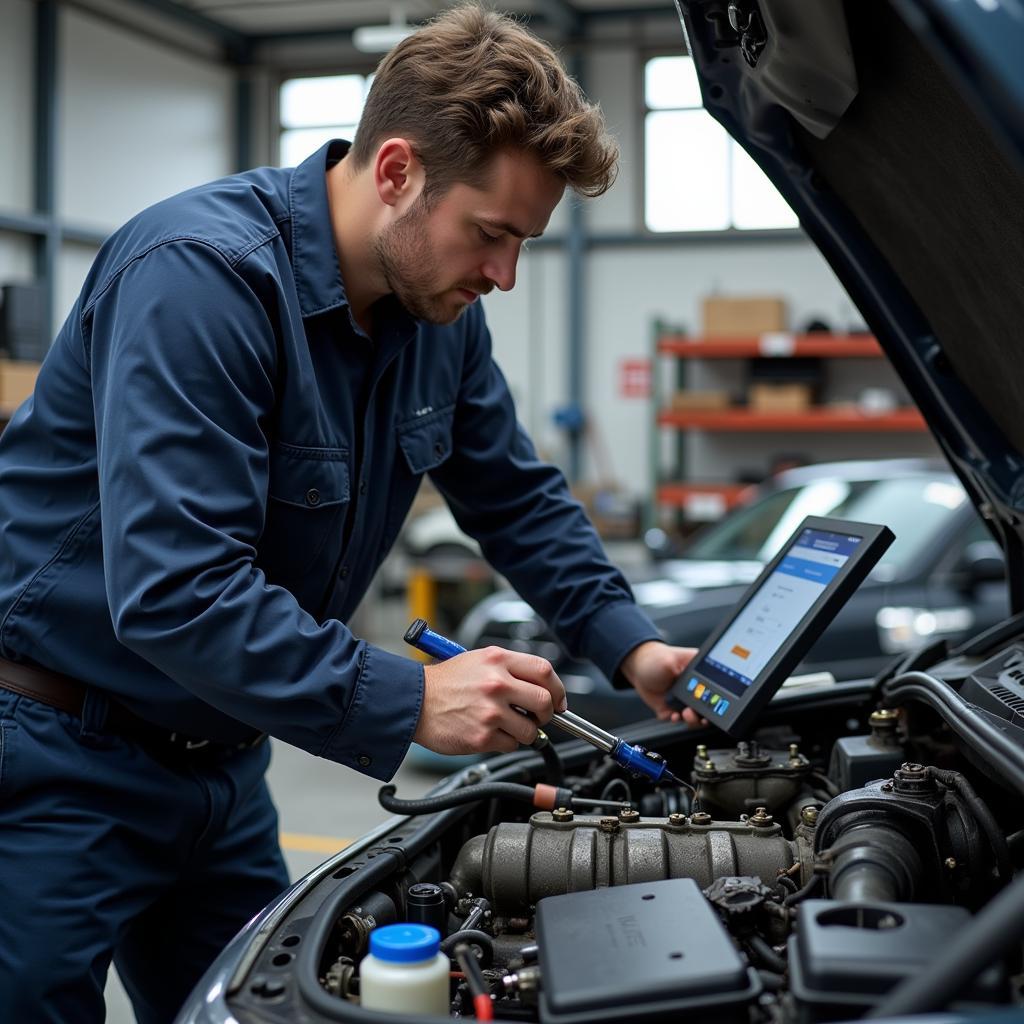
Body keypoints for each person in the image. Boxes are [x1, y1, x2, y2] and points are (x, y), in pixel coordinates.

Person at [0, 5, 696, 1021]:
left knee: (278, 1006)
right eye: (490, 234)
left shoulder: (438, 321)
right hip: (56, 758)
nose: (501, 275)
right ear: (398, 171)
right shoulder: (201, 280)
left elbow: (513, 494)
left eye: (524, 244)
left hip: (223, 767)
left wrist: (632, 648)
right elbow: (176, 592)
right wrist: (410, 700)